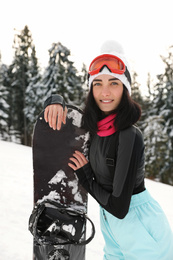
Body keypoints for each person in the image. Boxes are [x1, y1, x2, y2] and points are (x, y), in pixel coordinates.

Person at [43, 41, 173, 260]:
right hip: (113, 228)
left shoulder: (130, 136)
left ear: (125, 89)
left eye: (114, 83)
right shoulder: (94, 128)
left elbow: (119, 207)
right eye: (97, 84)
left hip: (140, 226)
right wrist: (54, 101)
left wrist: (85, 177)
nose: (105, 92)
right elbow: (68, 120)